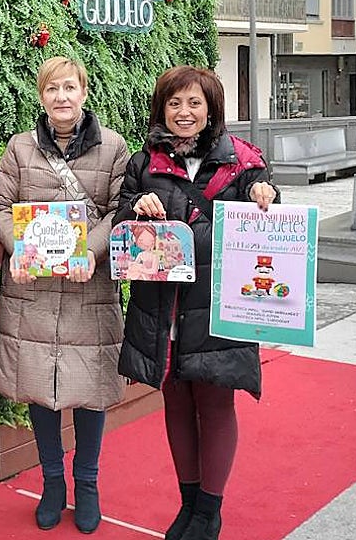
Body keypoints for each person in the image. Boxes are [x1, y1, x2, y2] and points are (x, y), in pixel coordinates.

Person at [114, 65, 278, 540]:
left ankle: (210, 510)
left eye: (194, 104)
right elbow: (123, 216)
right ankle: (188, 504)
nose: (184, 113)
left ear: (211, 110)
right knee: (176, 401)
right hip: (162, 305)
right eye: (174, 104)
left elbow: (262, 198)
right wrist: (137, 207)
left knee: (215, 398)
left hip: (217, 306)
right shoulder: (144, 162)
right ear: (161, 109)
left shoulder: (241, 160)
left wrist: (265, 192)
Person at [0, 57, 130, 534]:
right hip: (33, 292)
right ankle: (52, 483)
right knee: (38, 388)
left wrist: (91, 248)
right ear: (41, 96)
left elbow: (121, 208)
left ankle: (86, 484)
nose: (61, 97)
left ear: (84, 93)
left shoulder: (113, 148)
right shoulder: (19, 148)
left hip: (90, 287)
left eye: (70, 88)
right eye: (52, 89)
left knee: (91, 392)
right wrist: (18, 247)